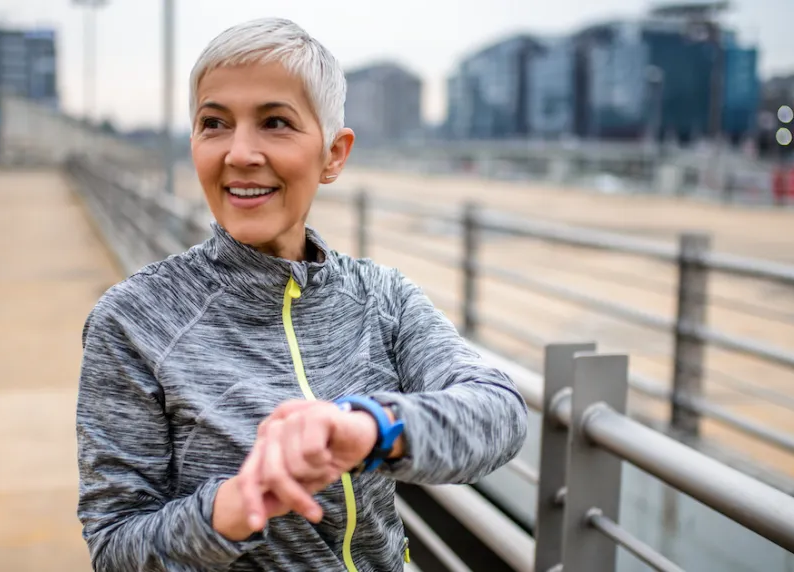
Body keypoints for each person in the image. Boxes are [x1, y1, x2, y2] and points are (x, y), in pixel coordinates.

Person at [76, 17, 528, 572]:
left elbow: (500, 412)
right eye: (213, 123)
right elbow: (116, 546)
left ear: (334, 155)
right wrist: (229, 510)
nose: (239, 153)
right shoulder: (132, 321)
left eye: (275, 123)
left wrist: (369, 429)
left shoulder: (381, 297)